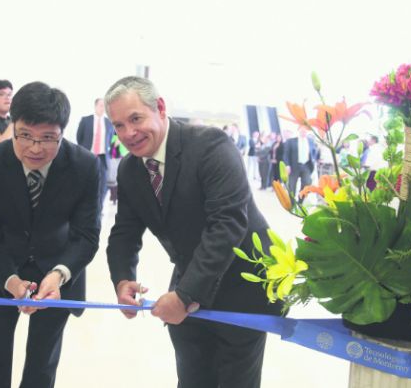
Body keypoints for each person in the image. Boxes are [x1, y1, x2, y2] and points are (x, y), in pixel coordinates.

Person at [104, 76, 283, 388]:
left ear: (160, 108)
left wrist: (185, 295)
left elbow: (228, 224)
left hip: (244, 282)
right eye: (119, 125)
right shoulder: (130, 170)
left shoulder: (210, 145)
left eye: (136, 119)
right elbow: (124, 233)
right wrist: (122, 279)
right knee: (191, 377)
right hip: (190, 277)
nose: (129, 133)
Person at [0, 81, 101, 388]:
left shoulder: (85, 166)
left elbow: (86, 235)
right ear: (13, 126)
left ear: (62, 133)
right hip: (1, 269)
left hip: (57, 273)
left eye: (47, 138)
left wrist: (58, 276)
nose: (34, 147)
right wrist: (11, 280)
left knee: (43, 362)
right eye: (25, 135)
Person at [76, 98, 115, 208]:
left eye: (104, 106)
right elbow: (79, 137)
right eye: (101, 105)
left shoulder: (109, 123)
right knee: (85, 182)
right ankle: (84, 206)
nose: (103, 108)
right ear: (95, 106)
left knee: (102, 185)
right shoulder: (85, 120)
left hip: (103, 158)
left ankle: (98, 208)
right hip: (87, 156)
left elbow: (111, 140)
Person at [284, 126, 319, 205]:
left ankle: (300, 202)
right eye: (302, 131)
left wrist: (314, 159)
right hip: (294, 166)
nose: (303, 132)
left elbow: (314, 151)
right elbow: (286, 154)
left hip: (306, 166)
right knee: (292, 186)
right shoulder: (291, 141)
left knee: (307, 183)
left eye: (305, 131)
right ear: (298, 131)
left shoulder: (310, 141)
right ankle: (292, 204)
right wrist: (287, 165)